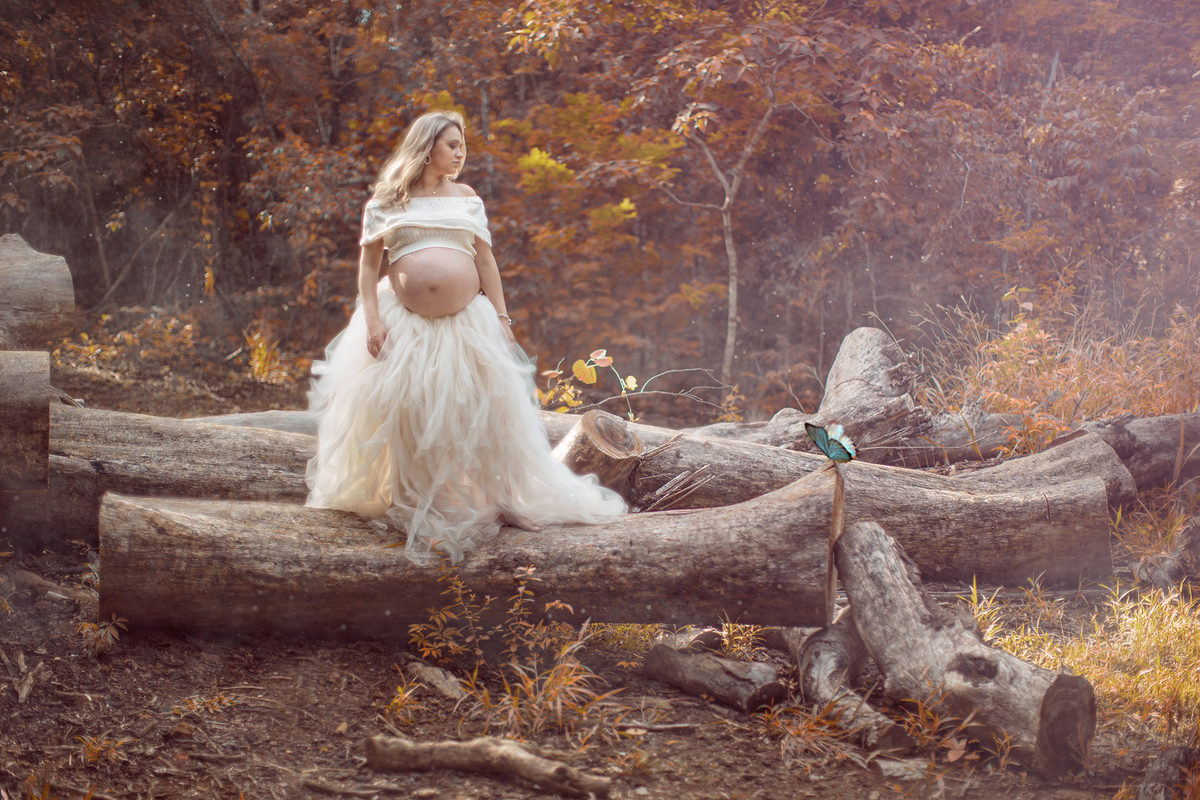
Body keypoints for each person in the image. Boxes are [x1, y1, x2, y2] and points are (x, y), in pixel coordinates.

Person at [305, 110, 625, 565]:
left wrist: (502, 316)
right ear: (427, 145)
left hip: (467, 321)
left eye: (463, 145)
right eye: (452, 144)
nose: (461, 152)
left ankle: (503, 499)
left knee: (485, 410)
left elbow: (487, 262)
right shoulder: (389, 200)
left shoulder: (467, 198)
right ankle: (413, 497)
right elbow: (368, 268)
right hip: (405, 324)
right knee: (410, 410)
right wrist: (373, 320)